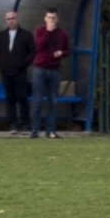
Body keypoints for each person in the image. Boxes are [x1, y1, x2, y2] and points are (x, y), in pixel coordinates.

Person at [0, 10, 34, 133]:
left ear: (18, 19)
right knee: (9, 98)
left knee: (22, 98)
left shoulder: (26, 35)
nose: (11, 21)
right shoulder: (1, 36)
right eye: (8, 19)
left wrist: (24, 64)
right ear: (6, 21)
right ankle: (12, 124)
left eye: (13, 18)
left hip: (20, 72)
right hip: (5, 72)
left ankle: (25, 124)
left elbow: (32, 51)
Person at [31, 8, 70, 139]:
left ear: (57, 19)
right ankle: (35, 130)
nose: (51, 20)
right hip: (40, 69)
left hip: (54, 70)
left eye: (53, 18)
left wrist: (62, 53)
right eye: (49, 17)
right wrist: (48, 31)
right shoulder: (40, 31)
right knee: (37, 100)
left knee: (53, 101)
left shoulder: (62, 34)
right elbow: (39, 46)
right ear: (45, 18)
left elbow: (68, 50)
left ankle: (50, 131)